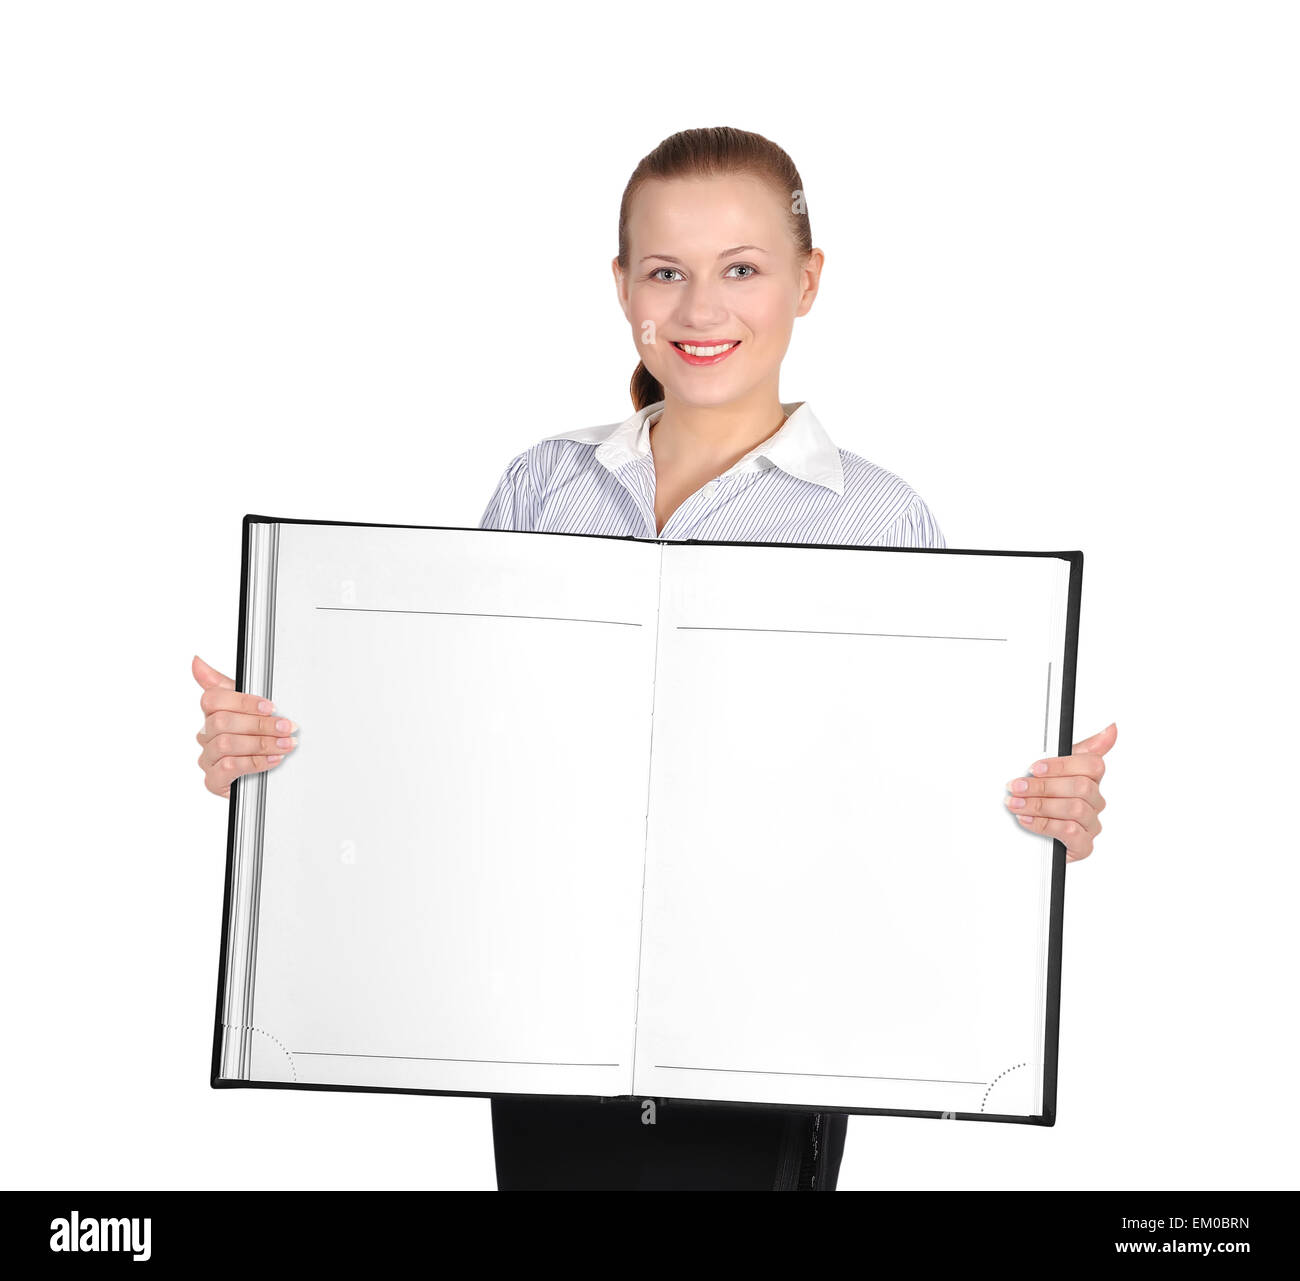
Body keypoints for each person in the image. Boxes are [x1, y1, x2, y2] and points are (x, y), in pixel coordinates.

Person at [192, 125, 1116, 1190]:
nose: (701, 309)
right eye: (666, 272)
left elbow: (921, 806)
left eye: (742, 270)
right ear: (620, 283)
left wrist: (1038, 817)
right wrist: (277, 758)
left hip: (771, 1029)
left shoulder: (876, 518)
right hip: (540, 1017)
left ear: (808, 282)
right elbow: (458, 744)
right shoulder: (545, 487)